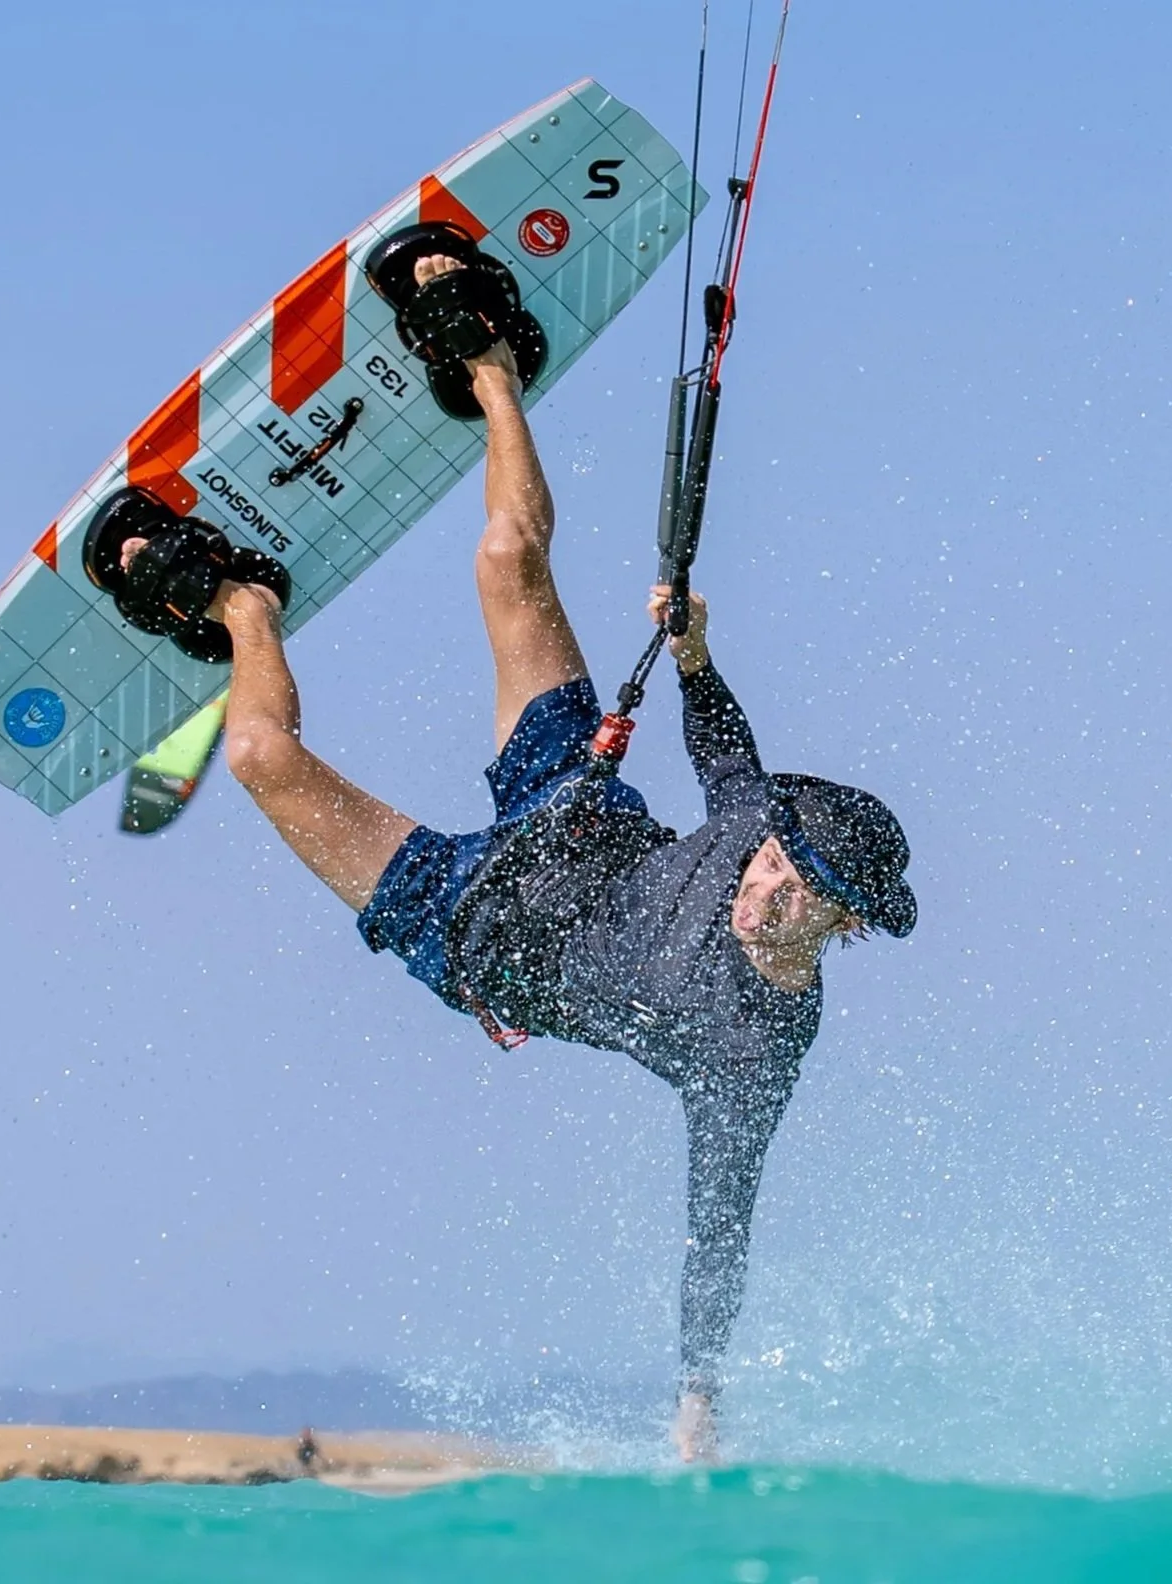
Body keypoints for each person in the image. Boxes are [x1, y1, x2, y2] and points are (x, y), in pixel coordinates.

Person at [115, 251, 917, 1461]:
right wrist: (694, 656)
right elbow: (729, 762)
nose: (765, 885)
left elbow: (721, 1220)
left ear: (845, 923)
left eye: (797, 894)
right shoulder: (762, 830)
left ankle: (241, 607)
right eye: (771, 863)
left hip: (470, 934)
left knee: (261, 758)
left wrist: (698, 1395)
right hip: (571, 813)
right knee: (507, 563)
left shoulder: (755, 1048)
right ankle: (491, 364)